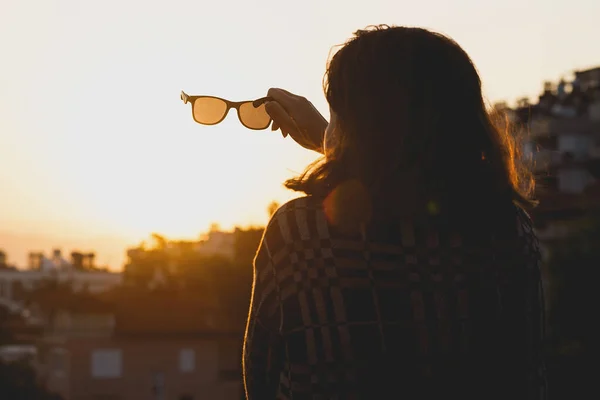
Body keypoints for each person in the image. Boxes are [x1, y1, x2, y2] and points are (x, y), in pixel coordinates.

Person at [243, 25, 547, 400]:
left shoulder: (299, 232)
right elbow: (528, 378)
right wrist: (332, 145)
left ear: (356, 128)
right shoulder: (508, 230)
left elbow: (261, 377)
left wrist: (338, 155)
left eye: (337, 111)